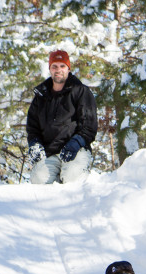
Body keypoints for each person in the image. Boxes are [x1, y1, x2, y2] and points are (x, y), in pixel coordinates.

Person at [25, 49, 97, 185]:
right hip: (50, 153)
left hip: (76, 151)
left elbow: (89, 126)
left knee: (71, 180)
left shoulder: (80, 91)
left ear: (68, 68)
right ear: (50, 69)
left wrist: (76, 142)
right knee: (38, 181)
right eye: (54, 66)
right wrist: (34, 143)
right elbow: (32, 127)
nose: (58, 70)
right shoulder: (41, 96)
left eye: (62, 66)